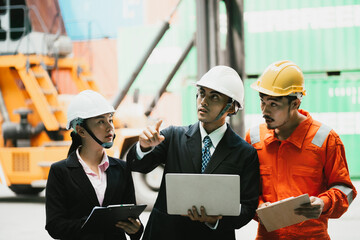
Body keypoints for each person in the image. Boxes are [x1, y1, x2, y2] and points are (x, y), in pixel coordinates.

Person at [126, 65, 260, 240]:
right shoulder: (173, 136)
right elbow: (137, 165)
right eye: (202, 93)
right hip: (166, 233)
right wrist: (143, 147)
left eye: (214, 97)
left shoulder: (244, 153)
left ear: (231, 107)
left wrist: (216, 219)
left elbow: (247, 208)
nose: (203, 101)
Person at [245, 60, 357, 239]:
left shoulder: (326, 139)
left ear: (295, 104)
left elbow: (345, 189)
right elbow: (246, 189)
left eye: (273, 104)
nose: (265, 110)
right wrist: (258, 206)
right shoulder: (254, 138)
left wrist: (323, 202)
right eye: (262, 101)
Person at [45, 90, 143, 240]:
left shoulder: (122, 168)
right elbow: (54, 226)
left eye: (109, 120)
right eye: (100, 122)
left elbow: (131, 218)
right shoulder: (60, 172)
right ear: (81, 131)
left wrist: (136, 229)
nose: (110, 127)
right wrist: (93, 222)